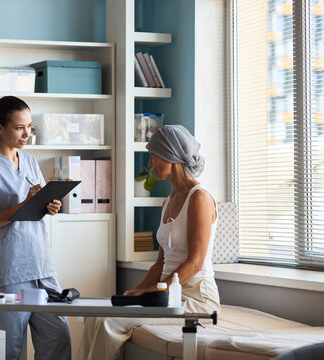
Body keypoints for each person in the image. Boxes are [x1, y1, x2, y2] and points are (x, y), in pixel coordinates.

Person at [78, 125, 220, 360]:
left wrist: (154, 292)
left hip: (196, 297)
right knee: (97, 315)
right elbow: (160, 264)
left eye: (153, 156)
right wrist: (138, 292)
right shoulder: (170, 200)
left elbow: (195, 262)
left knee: (110, 322)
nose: (150, 162)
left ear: (171, 156)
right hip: (168, 293)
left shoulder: (200, 198)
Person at [0, 96, 71, 360]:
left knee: (58, 338)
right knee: (11, 349)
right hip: (9, 270)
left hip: (41, 265)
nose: (27, 134)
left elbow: (31, 209)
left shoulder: (29, 162)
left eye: (30, 127)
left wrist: (48, 206)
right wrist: (24, 203)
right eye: (19, 128)